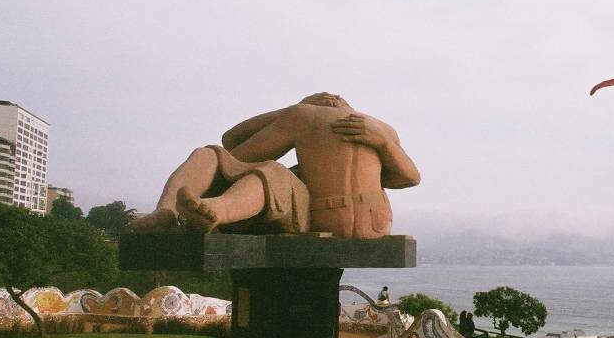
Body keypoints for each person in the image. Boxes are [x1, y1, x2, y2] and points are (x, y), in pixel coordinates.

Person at [131, 93, 420, 238]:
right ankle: (194, 211)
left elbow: (234, 147)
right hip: (376, 225)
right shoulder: (383, 130)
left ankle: (174, 210)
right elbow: (409, 178)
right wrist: (384, 144)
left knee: (217, 156)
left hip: (321, 219)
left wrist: (290, 111)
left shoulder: (305, 115)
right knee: (273, 174)